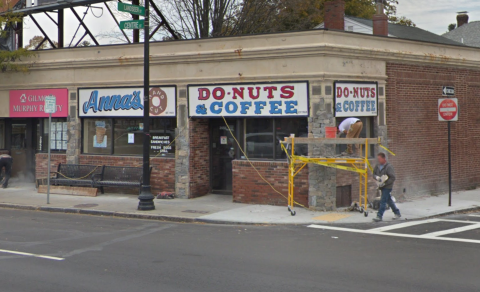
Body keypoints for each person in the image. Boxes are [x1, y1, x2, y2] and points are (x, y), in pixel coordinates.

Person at [372, 152, 401, 222]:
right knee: (389, 200)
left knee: (383, 201)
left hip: (387, 187)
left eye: (379, 159)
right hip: (381, 185)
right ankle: (397, 213)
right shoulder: (377, 166)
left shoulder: (389, 167)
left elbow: (393, 177)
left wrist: (385, 183)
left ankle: (379, 216)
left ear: (384, 158)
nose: (378, 160)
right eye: (378, 159)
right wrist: (376, 177)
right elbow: (374, 174)